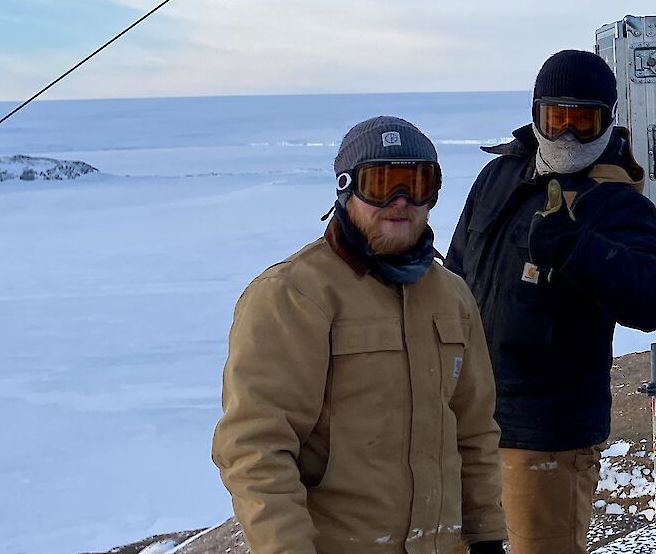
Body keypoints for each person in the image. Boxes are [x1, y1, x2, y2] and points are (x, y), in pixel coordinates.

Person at [212, 116, 505, 554]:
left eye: (416, 183)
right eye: (381, 184)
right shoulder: (294, 295)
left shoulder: (451, 296)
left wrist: (485, 535)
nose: (400, 201)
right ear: (346, 190)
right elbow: (255, 449)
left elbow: (474, 429)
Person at [445, 49, 656, 554]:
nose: (569, 136)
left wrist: (581, 249)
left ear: (606, 121)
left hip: (547, 435)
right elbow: (455, 275)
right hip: (468, 422)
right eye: (558, 119)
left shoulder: (614, 201)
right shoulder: (498, 178)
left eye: (584, 120)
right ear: (537, 116)